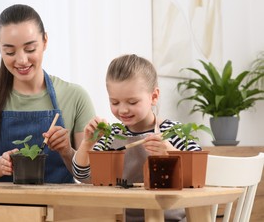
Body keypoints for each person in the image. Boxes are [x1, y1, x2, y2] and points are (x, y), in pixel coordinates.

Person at [0, 4, 95, 183]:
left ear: (45, 41)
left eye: (30, 49)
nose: (22, 60)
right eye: (9, 51)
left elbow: (92, 177)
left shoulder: (75, 96)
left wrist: (66, 151)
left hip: (56, 207)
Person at [72, 54, 201, 221]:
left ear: (154, 97)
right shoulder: (111, 136)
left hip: (169, 218)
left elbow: (199, 173)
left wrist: (170, 152)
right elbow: (82, 176)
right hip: (122, 217)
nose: (123, 110)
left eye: (132, 102)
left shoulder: (171, 131)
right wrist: (86, 144)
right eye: (115, 102)